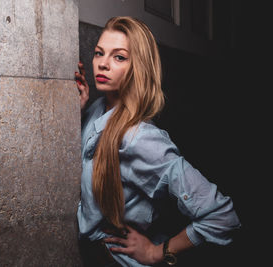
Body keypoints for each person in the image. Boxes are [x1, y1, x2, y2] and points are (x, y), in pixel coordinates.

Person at [75, 16, 240, 267]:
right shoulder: (96, 109)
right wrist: (76, 110)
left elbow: (222, 217)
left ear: (138, 67)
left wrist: (157, 252)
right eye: (99, 53)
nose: (103, 64)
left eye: (119, 57)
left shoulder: (140, 138)